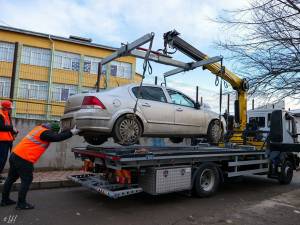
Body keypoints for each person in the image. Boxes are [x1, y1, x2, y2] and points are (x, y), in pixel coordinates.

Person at [0, 122, 80, 210]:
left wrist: (68, 131)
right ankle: (21, 204)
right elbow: (57, 137)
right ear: (51, 130)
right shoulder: (45, 133)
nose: (55, 134)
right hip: (24, 158)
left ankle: (5, 200)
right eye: (55, 132)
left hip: (15, 155)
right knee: (26, 180)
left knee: (10, 178)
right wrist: (71, 133)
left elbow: (57, 135)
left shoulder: (39, 129)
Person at [0, 100, 18, 183]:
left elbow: (8, 127)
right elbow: (1, 127)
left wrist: (14, 132)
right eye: (10, 108)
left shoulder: (7, 115)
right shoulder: (1, 115)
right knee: (1, 159)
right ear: (6, 108)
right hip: (2, 141)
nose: (11, 110)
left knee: (3, 159)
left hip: (7, 141)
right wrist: (11, 128)